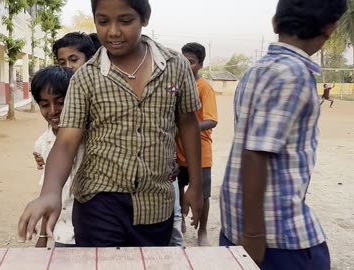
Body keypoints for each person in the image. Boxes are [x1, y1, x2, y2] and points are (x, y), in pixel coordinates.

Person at [18, 0, 203, 247]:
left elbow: (188, 124)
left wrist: (196, 186)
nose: (113, 31)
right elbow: (65, 142)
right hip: (98, 207)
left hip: (155, 206)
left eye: (125, 21)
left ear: (145, 17)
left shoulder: (175, 66)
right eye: (103, 21)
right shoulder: (85, 77)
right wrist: (50, 192)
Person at [219, 0, 346, 269]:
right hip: (277, 240)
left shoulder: (256, 70)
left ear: (275, 22)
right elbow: (255, 153)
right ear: (331, 28)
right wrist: (253, 237)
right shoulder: (294, 74)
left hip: (238, 226)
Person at [31, 66, 81, 248]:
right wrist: (43, 235)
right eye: (44, 105)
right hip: (62, 235)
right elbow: (49, 191)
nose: (53, 110)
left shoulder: (92, 138)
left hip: (94, 230)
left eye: (61, 102)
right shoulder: (43, 144)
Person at [176, 42, 218, 246]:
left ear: (200, 65)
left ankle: (202, 232)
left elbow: (212, 120)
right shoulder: (174, 85)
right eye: (183, 60)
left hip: (200, 152)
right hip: (177, 150)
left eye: (191, 62)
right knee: (178, 188)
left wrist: (187, 128)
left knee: (202, 193)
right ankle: (180, 222)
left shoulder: (204, 88)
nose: (186, 65)